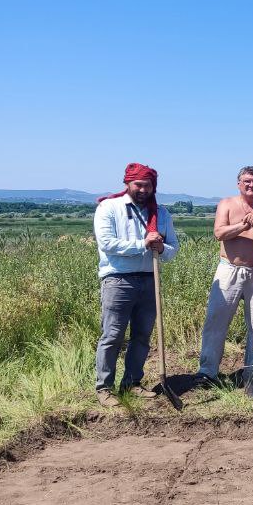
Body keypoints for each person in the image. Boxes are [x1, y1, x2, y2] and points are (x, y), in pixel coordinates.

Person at [93, 163, 179, 407]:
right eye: (138, 184)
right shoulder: (109, 208)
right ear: (127, 184)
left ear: (153, 187)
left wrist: (161, 248)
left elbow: (173, 249)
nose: (142, 189)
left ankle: (131, 383)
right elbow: (108, 244)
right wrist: (143, 243)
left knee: (141, 336)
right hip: (118, 280)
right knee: (112, 335)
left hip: (150, 279)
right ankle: (104, 388)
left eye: (147, 185)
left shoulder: (161, 214)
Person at [197, 166, 253, 391]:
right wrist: (246, 224)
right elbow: (219, 233)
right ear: (238, 183)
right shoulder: (226, 204)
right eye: (246, 181)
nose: (251, 185)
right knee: (216, 319)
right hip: (230, 269)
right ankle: (207, 372)